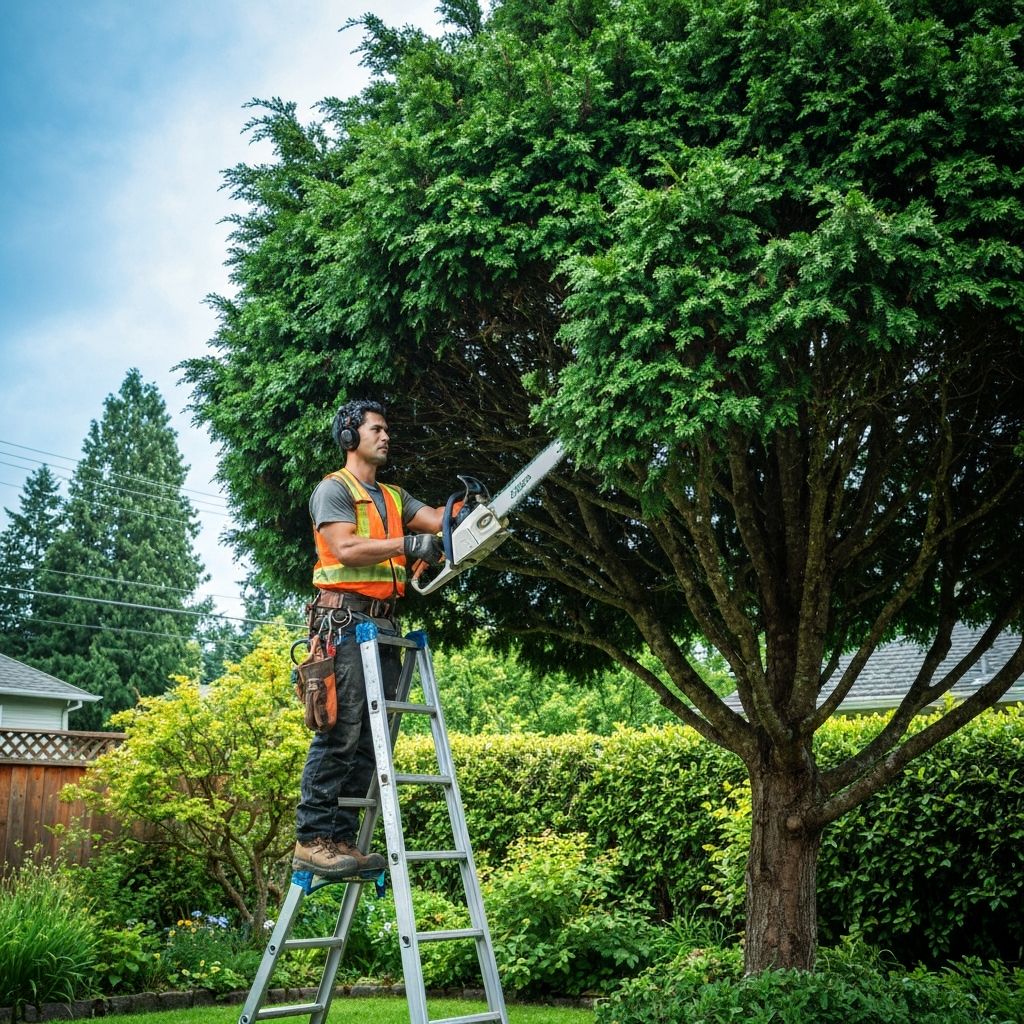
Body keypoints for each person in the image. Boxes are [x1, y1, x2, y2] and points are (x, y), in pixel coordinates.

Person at [293, 399, 449, 878]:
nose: (385, 437)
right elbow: (345, 547)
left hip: (383, 625)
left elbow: (438, 518)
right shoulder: (333, 490)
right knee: (340, 731)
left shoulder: (395, 497)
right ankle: (311, 838)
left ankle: (339, 838)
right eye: (376, 429)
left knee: (367, 740)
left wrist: (467, 512)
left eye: (387, 430)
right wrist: (407, 544)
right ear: (349, 435)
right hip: (342, 624)